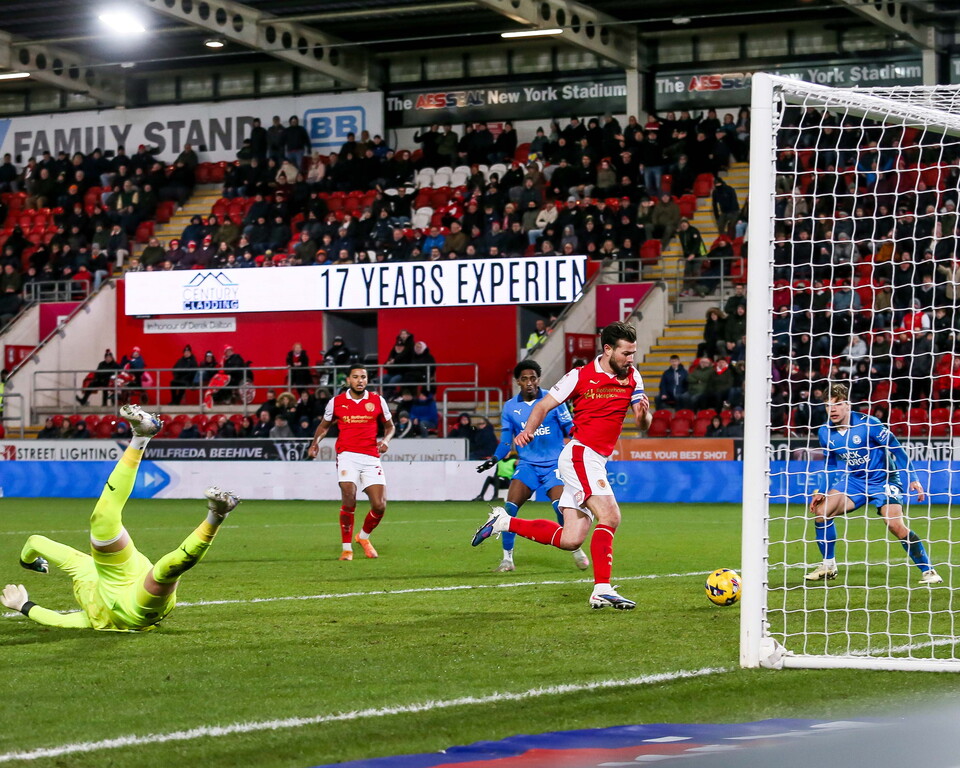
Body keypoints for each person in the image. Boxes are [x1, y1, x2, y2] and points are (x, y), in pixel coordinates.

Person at [1, 405, 240, 631]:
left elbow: (34, 542)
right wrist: (25, 589)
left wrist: (25, 591)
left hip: (119, 574)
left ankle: (141, 437)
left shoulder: (82, 569)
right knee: (165, 574)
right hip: (130, 612)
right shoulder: (89, 588)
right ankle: (216, 515)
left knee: (102, 518)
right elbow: (60, 619)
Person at [472, 321, 651, 609]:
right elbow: (543, 405)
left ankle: (503, 522)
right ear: (607, 350)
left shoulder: (633, 377)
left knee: (570, 539)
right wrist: (528, 429)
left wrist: (643, 415)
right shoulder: (579, 376)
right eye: (626, 353)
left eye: (633, 353)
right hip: (581, 454)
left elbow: (643, 423)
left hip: (595, 459)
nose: (631, 359)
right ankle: (601, 589)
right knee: (610, 516)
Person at [804, 383, 941, 585]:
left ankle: (929, 571)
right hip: (856, 480)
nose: (832, 410)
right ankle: (829, 566)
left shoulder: (870, 424)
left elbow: (897, 449)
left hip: (884, 479)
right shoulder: (825, 432)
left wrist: (912, 477)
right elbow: (830, 464)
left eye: (837, 404)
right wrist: (822, 491)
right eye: (827, 405)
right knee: (822, 513)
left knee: (895, 525)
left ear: (848, 405)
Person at [474, 360, 589, 573]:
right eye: (525, 379)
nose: (529, 383)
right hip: (528, 465)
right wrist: (494, 459)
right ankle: (507, 559)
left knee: (560, 507)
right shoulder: (510, 407)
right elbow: (507, 440)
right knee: (510, 509)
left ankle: (575, 548)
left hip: (554, 464)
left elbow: (569, 427)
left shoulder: (553, 399)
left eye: (533, 378)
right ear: (518, 381)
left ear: (539, 379)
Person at [307, 365, 395, 561]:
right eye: (355, 377)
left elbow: (390, 427)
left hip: (371, 457)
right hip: (347, 455)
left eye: (363, 377)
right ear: (348, 380)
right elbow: (324, 425)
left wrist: (386, 441)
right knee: (349, 495)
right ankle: (347, 549)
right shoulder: (336, 402)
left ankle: (363, 537)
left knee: (379, 506)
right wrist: (315, 444)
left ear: (367, 379)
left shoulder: (377, 400)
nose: (360, 380)